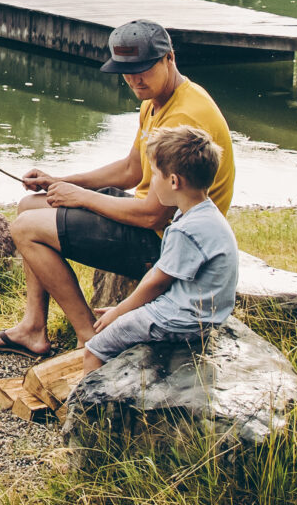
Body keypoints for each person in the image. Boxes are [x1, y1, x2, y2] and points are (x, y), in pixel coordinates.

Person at [0, 19, 236, 360]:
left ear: (169, 59)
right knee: (31, 205)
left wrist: (82, 197)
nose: (134, 80)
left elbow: (151, 216)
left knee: (26, 230)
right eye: (126, 71)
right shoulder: (156, 100)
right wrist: (63, 182)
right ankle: (33, 327)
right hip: (154, 218)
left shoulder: (185, 115)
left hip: (172, 243)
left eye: (142, 69)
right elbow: (132, 169)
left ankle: (89, 336)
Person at [84, 125, 238, 359]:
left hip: (178, 320)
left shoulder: (186, 229)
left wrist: (119, 313)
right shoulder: (207, 215)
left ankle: (87, 396)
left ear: (174, 181)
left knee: (94, 349)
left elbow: (157, 282)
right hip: (207, 317)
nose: (151, 182)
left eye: (155, 174)